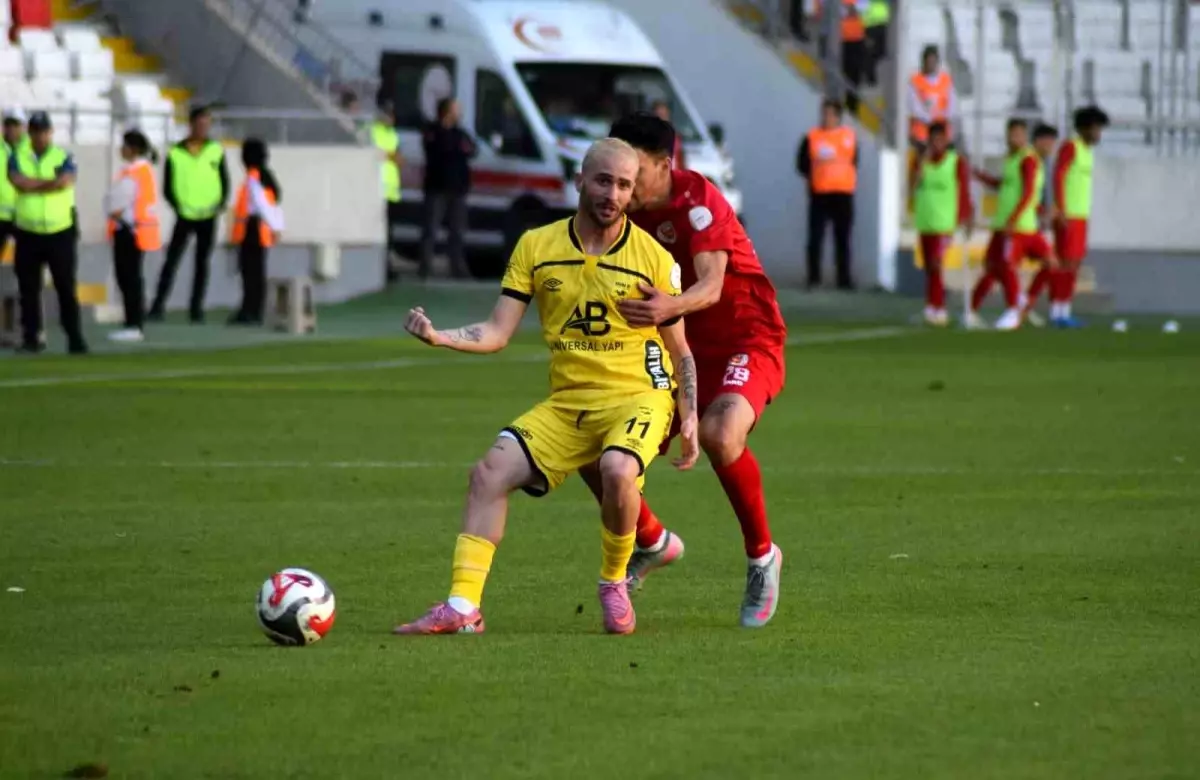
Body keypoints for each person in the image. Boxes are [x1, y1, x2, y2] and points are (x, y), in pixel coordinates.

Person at [393, 138, 700, 636]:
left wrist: (687, 414)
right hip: (569, 404)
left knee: (618, 469)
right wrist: (439, 336)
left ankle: (613, 581)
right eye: (604, 181)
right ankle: (463, 607)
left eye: (625, 185)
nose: (613, 194)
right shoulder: (537, 246)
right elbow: (497, 332)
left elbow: (681, 351)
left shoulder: (654, 258)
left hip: (637, 398)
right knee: (489, 472)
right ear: (580, 181)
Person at [589, 112, 789, 628]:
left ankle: (762, 556)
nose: (622, 186)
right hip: (677, 349)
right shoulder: (616, 209)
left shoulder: (697, 203)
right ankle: (652, 540)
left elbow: (712, 287)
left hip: (746, 339)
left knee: (723, 433)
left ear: (662, 164)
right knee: (591, 445)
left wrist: (665, 307)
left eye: (632, 171)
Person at [8, 111, 86, 354]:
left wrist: (35, 185)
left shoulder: (63, 155)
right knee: (28, 289)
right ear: (29, 133)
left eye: (44, 131)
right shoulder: (18, 156)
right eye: (36, 131)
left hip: (59, 230)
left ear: (50, 132)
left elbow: (65, 181)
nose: (40, 136)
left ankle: (74, 337)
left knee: (65, 286)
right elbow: (18, 181)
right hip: (28, 231)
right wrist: (49, 184)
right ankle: (32, 337)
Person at [967, 118, 1054, 331]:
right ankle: (973, 311)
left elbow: (1027, 193)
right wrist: (980, 176)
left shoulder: (1028, 160)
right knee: (993, 269)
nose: (1014, 138)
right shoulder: (1012, 160)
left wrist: (1016, 219)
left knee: (1014, 267)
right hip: (1006, 225)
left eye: (1018, 134)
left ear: (1025, 138)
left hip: (1019, 227)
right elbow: (1006, 186)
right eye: (1011, 134)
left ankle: (1017, 307)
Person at [149, 105, 229, 323]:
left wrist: (218, 205)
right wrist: (178, 206)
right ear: (191, 124)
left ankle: (196, 309)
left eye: (207, 124)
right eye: (201, 123)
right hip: (184, 216)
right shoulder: (176, 152)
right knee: (172, 261)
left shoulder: (215, 150)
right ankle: (158, 306)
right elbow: (167, 186)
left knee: (202, 263)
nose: (204, 128)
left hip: (208, 215)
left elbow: (224, 181)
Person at [1045, 105, 1107, 329]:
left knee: (1074, 264)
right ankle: (1056, 312)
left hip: (1081, 215)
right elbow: (1058, 176)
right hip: (1068, 215)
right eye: (1096, 128)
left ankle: (1064, 310)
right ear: (1084, 128)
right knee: (1065, 263)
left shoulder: (1087, 152)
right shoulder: (1070, 147)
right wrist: (1060, 208)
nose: (1099, 134)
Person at [909, 120, 972, 326]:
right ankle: (933, 306)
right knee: (929, 267)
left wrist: (965, 215)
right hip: (925, 221)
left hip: (944, 223)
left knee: (937, 264)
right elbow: (913, 185)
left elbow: (964, 190)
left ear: (947, 140)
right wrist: (921, 162)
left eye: (940, 139)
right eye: (933, 139)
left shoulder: (956, 161)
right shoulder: (921, 161)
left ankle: (938, 308)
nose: (937, 144)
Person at [104, 129, 162, 343]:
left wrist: (109, 206)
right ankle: (133, 322)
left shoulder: (133, 173)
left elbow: (117, 204)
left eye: (125, 145)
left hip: (129, 230)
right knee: (131, 278)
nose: (121, 149)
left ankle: (133, 324)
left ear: (133, 149)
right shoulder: (142, 171)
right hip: (136, 230)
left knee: (128, 278)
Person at [797, 98, 858, 290]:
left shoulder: (849, 137)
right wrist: (815, 176)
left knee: (843, 238)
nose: (827, 117)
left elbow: (855, 161)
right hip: (820, 193)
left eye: (831, 114)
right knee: (816, 237)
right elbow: (802, 163)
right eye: (824, 113)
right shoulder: (812, 136)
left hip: (843, 194)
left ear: (838, 117)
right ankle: (814, 278)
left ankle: (844, 279)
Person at [229, 138, 284, 326]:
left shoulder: (254, 177)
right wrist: (277, 226)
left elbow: (261, 205)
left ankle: (249, 310)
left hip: (252, 229)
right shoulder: (267, 175)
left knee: (250, 272)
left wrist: (275, 227)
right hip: (261, 230)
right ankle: (255, 310)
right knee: (257, 272)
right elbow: (273, 204)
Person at [420, 97, 475, 280]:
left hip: (458, 189)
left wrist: (459, 149)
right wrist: (457, 149)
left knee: (457, 231)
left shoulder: (460, 132)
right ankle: (425, 268)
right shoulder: (432, 131)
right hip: (436, 188)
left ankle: (458, 268)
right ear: (446, 111)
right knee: (431, 230)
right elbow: (440, 151)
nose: (458, 112)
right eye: (455, 108)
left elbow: (472, 149)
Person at [1020, 123, 1065, 327]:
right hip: (1020, 226)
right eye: (1049, 141)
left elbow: (1029, 196)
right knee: (1000, 271)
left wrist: (1042, 211)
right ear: (1039, 141)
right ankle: (1020, 309)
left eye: (1053, 142)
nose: (1051, 146)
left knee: (1051, 264)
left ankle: (1024, 307)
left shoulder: (1037, 161)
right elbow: (1023, 193)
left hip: (1028, 224)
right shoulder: (1029, 160)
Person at [372, 100, 404, 282]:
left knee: (389, 234)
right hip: (377, 191)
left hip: (391, 191)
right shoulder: (373, 131)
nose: (391, 118)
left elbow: (399, 158)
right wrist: (390, 155)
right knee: (380, 234)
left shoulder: (393, 134)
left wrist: (392, 156)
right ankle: (381, 269)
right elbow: (376, 154)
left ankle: (387, 268)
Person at [909, 46, 956, 150]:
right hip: (922, 136)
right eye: (928, 61)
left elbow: (952, 106)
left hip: (943, 136)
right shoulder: (916, 80)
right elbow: (914, 107)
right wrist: (931, 120)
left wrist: (942, 120)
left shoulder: (946, 80)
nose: (931, 64)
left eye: (933, 61)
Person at [0, 108, 28, 256]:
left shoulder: (31, 151)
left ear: (23, 126)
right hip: (0, 216)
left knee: (28, 264)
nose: (11, 129)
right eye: (8, 124)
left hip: (24, 216)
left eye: (15, 125)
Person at [651, 100, 686, 170]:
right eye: (659, 115)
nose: (662, 119)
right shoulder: (648, 137)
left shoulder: (676, 137)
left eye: (664, 115)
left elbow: (680, 159)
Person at [863, 0, 891, 86]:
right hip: (870, 25)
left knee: (881, 52)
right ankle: (870, 77)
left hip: (882, 23)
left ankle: (870, 73)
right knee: (871, 52)